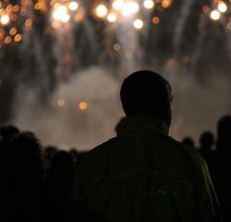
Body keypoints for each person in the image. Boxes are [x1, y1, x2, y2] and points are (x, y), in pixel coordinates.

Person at [71, 70, 221, 222]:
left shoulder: (91, 162)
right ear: (162, 106)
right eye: (170, 101)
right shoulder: (190, 160)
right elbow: (210, 215)